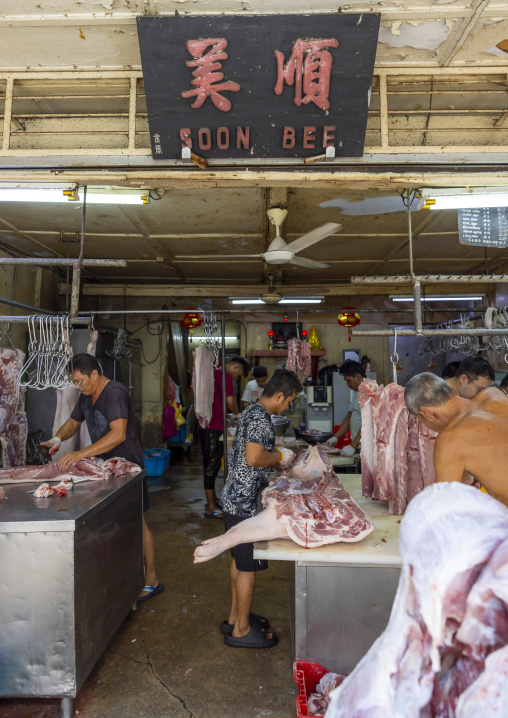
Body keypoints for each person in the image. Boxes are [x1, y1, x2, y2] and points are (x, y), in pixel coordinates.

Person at [40, 354, 163, 602]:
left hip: (128, 467)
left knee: (136, 522)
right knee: (114, 522)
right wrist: (57, 439)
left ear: (94, 374)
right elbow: (73, 424)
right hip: (105, 467)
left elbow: (118, 435)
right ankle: (122, 574)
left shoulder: (114, 393)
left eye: (80, 380)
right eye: (74, 382)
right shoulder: (86, 395)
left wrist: (80, 454)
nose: (78, 386)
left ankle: (152, 579)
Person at [219, 369, 302, 649]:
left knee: (239, 561)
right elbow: (254, 458)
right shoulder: (258, 417)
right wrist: (280, 455)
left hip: (236, 498)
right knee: (247, 567)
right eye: (289, 400)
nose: (288, 405)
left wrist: (277, 455)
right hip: (244, 503)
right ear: (279, 394)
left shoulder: (253, 412)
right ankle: (242, 630)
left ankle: (235, 617)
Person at [404, 372, 508, 506]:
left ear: (428, 414)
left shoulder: (450, 439)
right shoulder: (493, 393)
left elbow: (445, 510)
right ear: (453, 390)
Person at [200, 355, 250, 520]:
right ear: (237, 367)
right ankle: (210, 507)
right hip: (212, 426)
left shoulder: (214, 370)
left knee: (211, 465)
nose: (236, 377)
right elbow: (230, 400)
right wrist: (237, 415)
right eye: (239, 374)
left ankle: (213, 499)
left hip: (208, 424)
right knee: (211, 465)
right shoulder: (225, 375)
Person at [325, 359, 365, 456]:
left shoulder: (370, 392)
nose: (347, 384)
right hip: (359, 448)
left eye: (348, 381)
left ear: (358, 377)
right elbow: (349, 417)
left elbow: (369, 424)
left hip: (368, 449)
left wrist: (352, 446)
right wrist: (336, 437)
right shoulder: (357, 392)